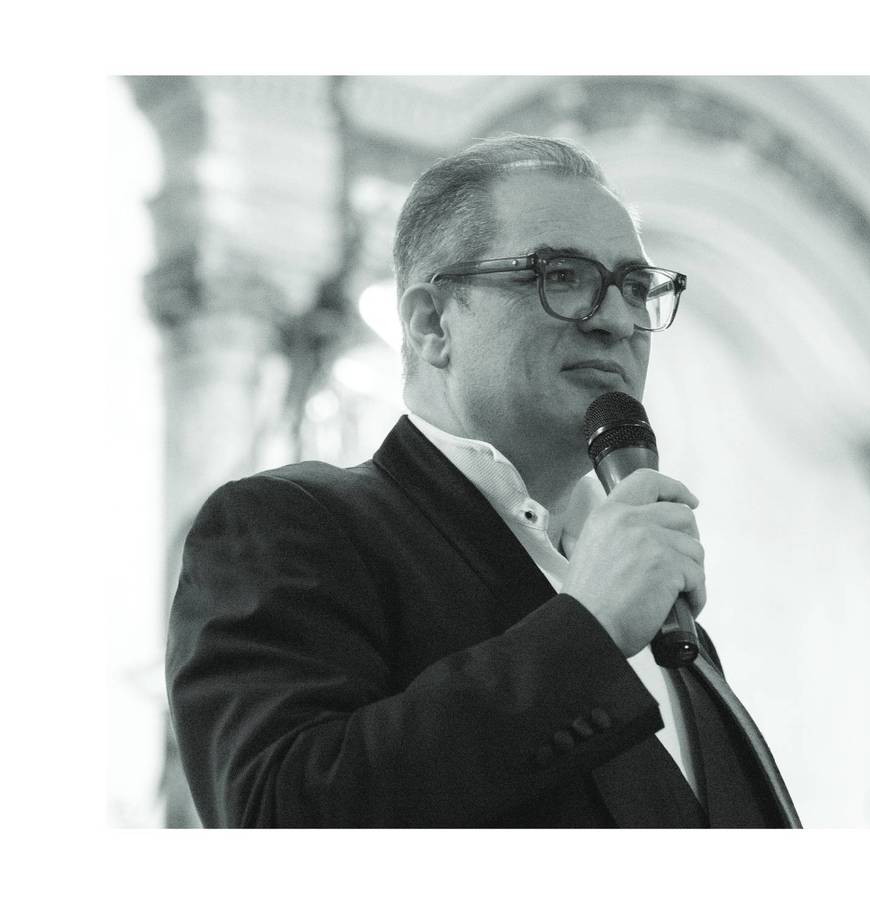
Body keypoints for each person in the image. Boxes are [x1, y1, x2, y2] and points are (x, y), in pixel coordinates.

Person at [166, 135, 781, 827]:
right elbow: (277, 821)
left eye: (636, 288)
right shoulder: (293, 526)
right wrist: (588, 633)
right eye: (561, 275)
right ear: (432, 323)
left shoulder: (656, 599)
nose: (617, 320)